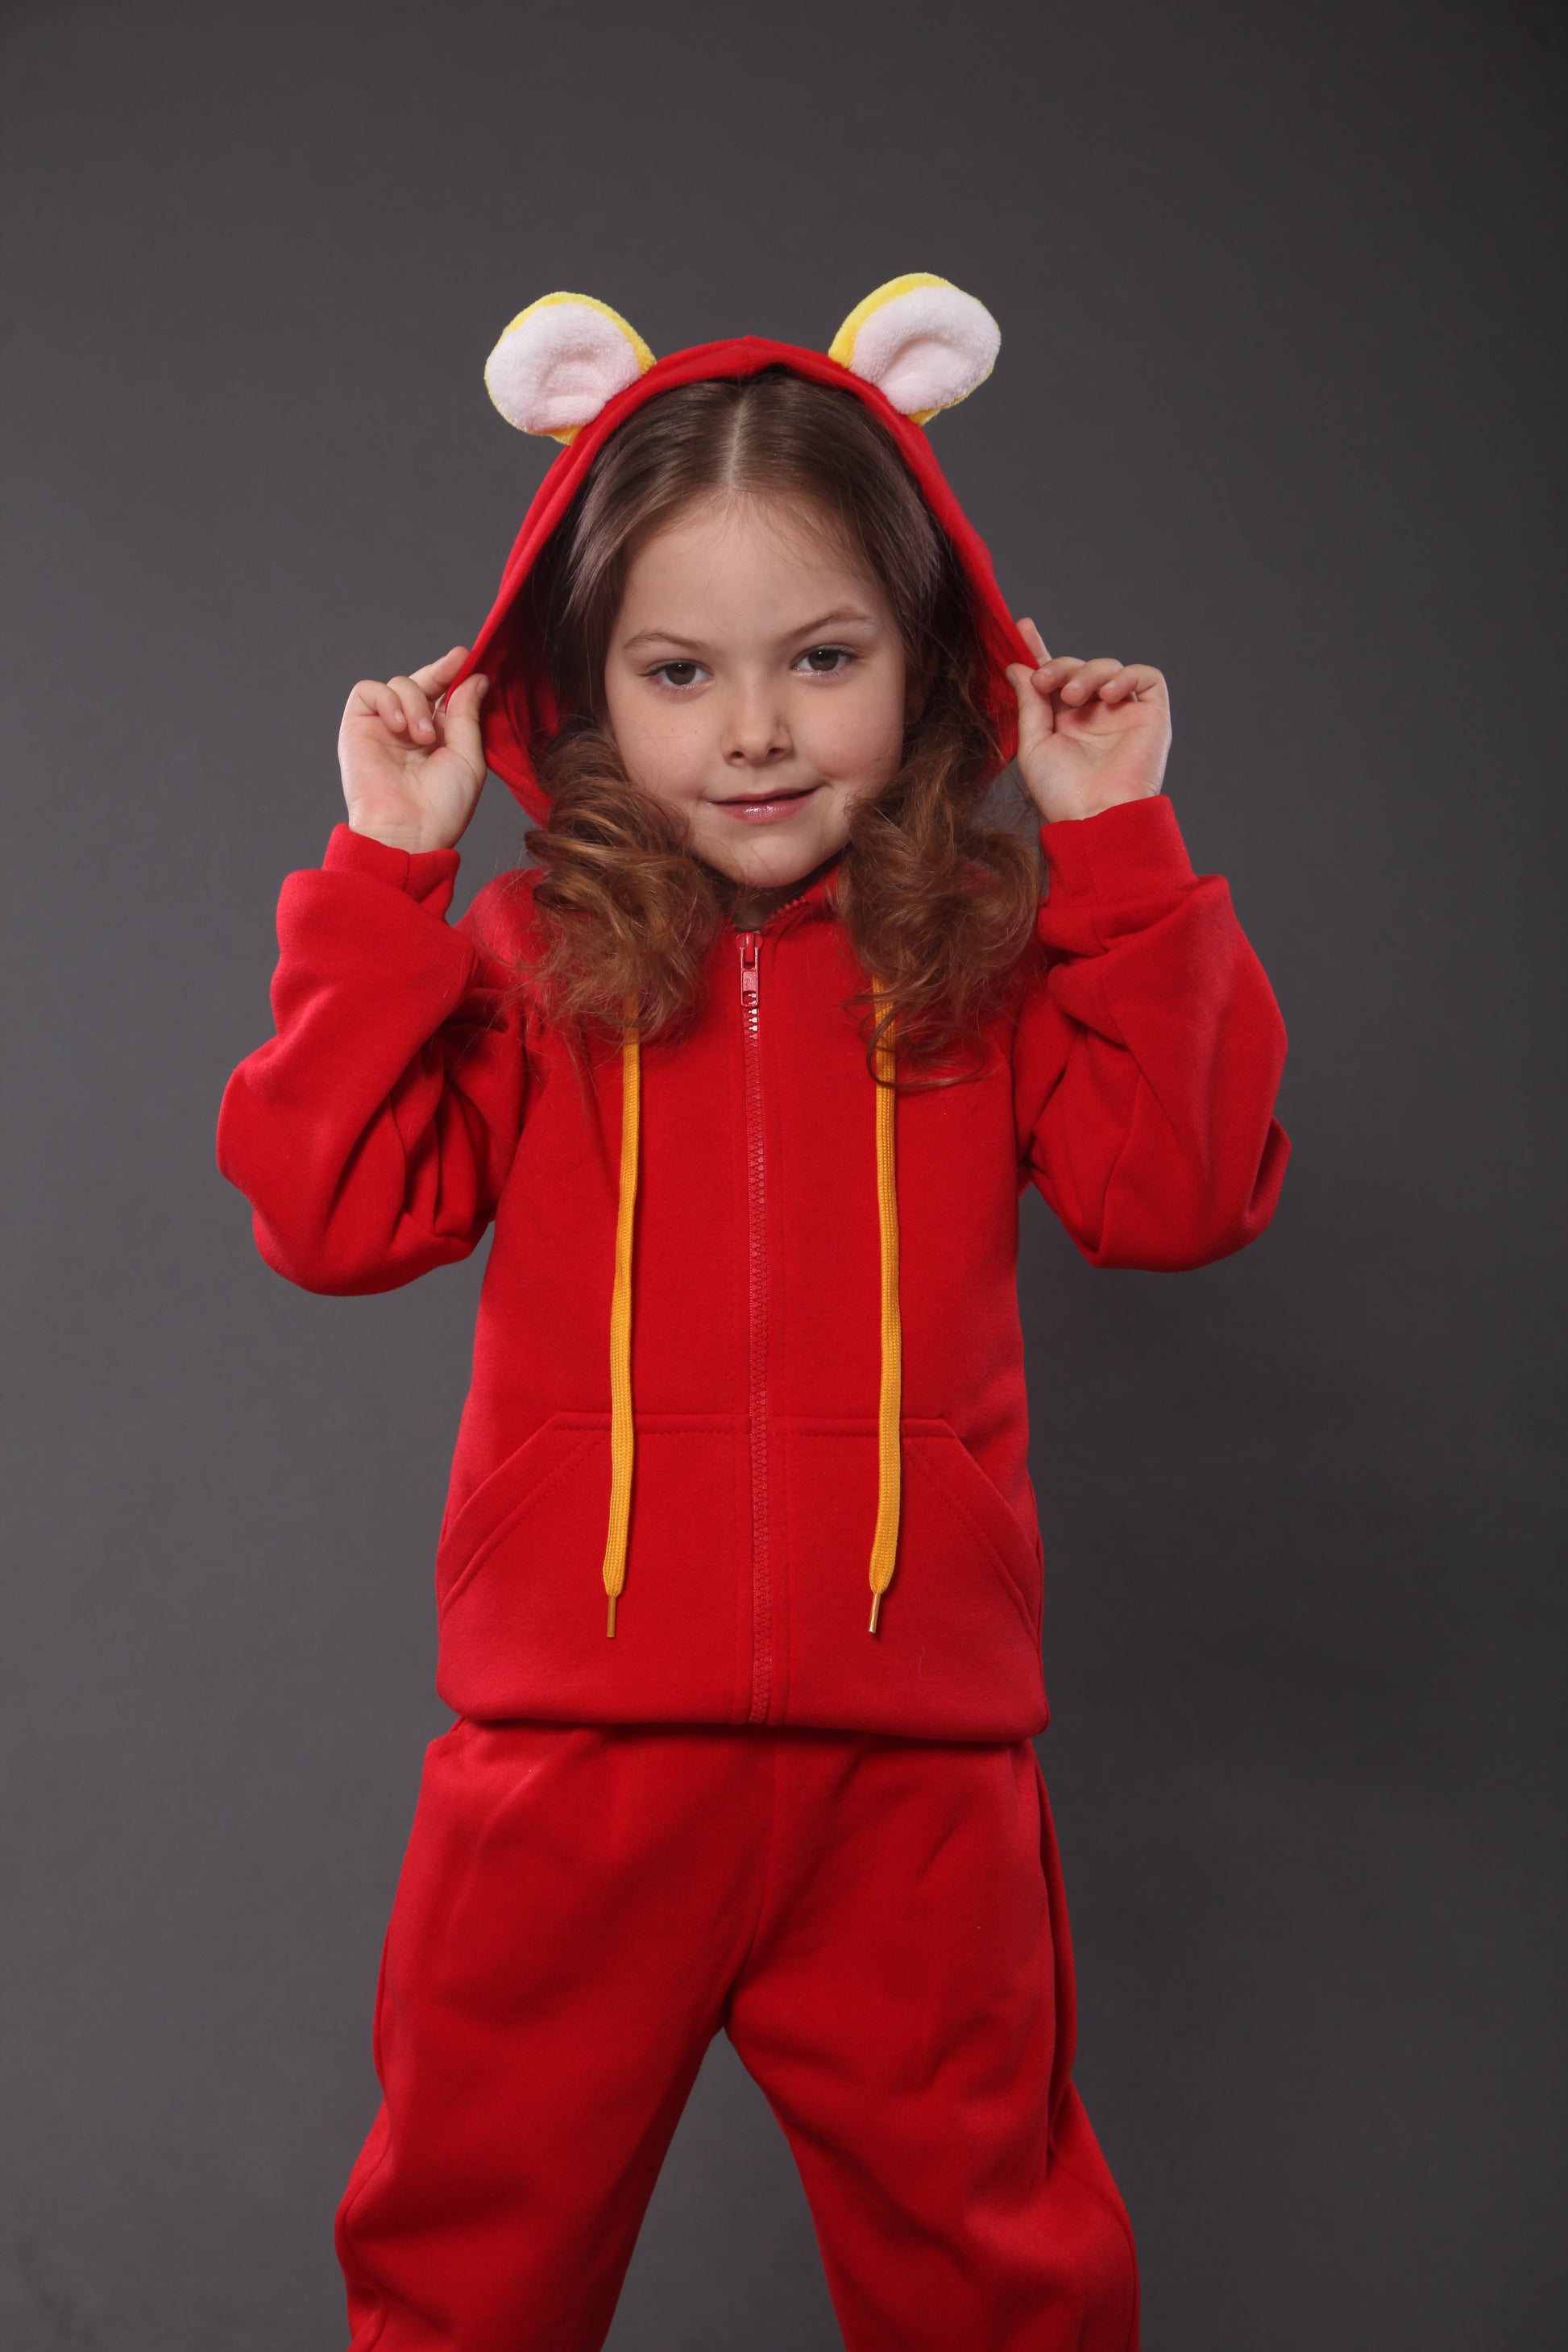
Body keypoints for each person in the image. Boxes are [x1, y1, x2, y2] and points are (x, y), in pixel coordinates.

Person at [217, 276, 1290, 2351]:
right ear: (581, 687)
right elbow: (328, 1213)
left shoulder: (994, 954)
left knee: (999, 2284)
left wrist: (1118, 850)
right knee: (465, 2276)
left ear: (932, 660)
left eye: (822, 656)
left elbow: (1181, 1194)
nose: (757, 729)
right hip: (572, 1762)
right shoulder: (523, 957)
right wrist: (381, 881)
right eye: (679, 670)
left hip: (917, 1777)